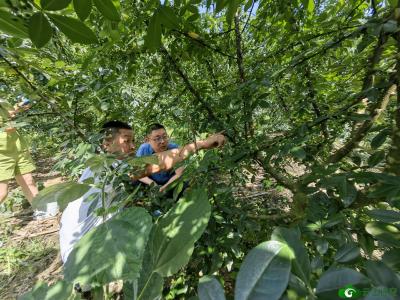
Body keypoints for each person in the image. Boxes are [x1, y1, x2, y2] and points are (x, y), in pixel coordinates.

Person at [59, 120, 225, 264]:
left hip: (90, 244)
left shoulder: (101, 164)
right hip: (80, 252)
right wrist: (201, 144)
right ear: (107, 144)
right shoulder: (107, 169)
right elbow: (157, 162)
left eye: (133, 141)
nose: (132, 147)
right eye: (126, 141)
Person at [0, 97, 38, 206]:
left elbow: (11, 113)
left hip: (18, 147)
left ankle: (40, 210)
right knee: (2, 193)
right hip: (2, 154)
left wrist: (19, 108)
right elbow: (9, 127)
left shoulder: (2, 101)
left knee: (28, 181)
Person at [136, 123, 183, 192]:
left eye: (164, 137)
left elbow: (179, 173)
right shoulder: (144, 149)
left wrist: (164, 187)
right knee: (134, 182)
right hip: (151, 182)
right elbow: (137, 172)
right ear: (148, 140)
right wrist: (152, 184)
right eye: (157, 138)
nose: (163, 141)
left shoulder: (174, 148)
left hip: (170, 181)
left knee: (183, 184)